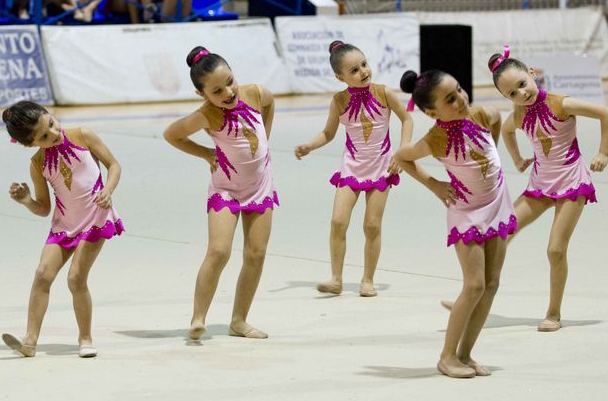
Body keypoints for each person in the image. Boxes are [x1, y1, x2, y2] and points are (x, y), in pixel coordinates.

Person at [394, 69, 515, 379]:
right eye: (450, 99)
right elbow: (403, 157)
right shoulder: (436, 138)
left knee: (491, 284)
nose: (461, 98)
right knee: (474, 285)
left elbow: (497, 119)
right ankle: (447, 356)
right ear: (432, 112)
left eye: (460, 90)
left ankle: (466, 354)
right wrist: (434, 184)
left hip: (497, 202)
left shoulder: (481, 114)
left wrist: (493, 156)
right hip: (467, 211)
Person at [488, 48, 608, 332]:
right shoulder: (519, 115)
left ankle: (554, 313)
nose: (521, 94)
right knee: (499, 234)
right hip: (540, 185)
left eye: (522, 84)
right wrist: (518, 159)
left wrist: (603, 153)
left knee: (555, 249)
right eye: (512, 93)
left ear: (532, 73)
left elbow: (606, 114)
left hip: (572, 183)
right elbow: (507, 131)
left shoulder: (561, 104)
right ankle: (475, 296)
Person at [163, 46, 277, 342]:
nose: (228, 92)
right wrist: (205, 153)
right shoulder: (206, 115)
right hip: (226, 189)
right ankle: (198, 318)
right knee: (219, 251)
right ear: (203, 95)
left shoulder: (254, 92)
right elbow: (172, 134)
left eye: (229, 81)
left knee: (256, 254)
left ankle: (239, 321)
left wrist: (265, 136)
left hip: (260, 186)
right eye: (217, 90)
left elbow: (269, 102)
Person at [294, 41, 425, 296]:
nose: (363, 72)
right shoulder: (339, 101)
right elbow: (328, 133)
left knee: (372, 225)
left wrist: (402, 151)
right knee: (337, 221)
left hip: (381, 166)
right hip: (351, 167)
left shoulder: (383, 92)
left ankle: (367, 279)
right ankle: (336, 278)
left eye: (364, 64)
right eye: (354, 70)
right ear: (339, 77)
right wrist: (310, 145)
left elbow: (407, 118)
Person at [0, 101, 123, 358]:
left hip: (95, 218)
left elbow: (114, 165)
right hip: (64, 225)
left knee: (76, 278)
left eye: (52, 124)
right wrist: (26, 201)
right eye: (44, 136)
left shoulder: (83, 135)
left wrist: (108, 190)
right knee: (43, 273)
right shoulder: (37, 164)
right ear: (31, 144)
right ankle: (30, 341)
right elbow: (44, 208)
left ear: (50, 113)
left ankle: (85, 337)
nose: (54, 134)